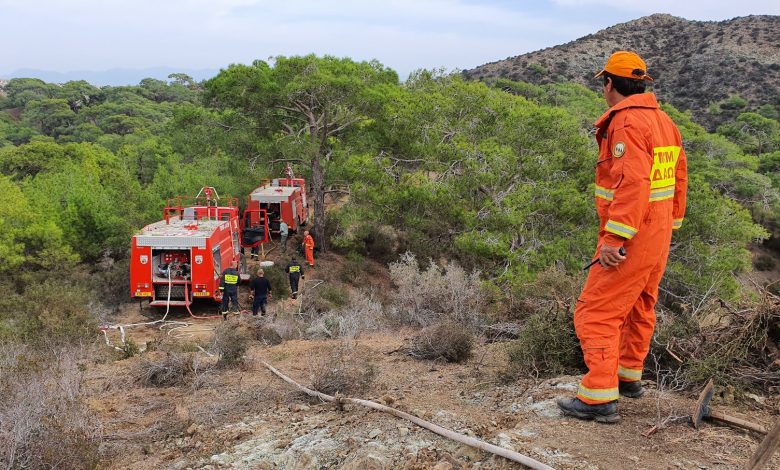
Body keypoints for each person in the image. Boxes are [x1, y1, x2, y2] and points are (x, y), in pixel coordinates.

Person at [557, 51, 688, 423]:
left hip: (632, 234)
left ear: (609, 83)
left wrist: (616, 237)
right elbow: (679, 177)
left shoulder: (627, 124)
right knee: (640, 303)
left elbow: (632, 183)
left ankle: (598, 397)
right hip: (658, 232)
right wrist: (671, 224)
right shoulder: (665, 121)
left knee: (595, 311)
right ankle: (627, 376)